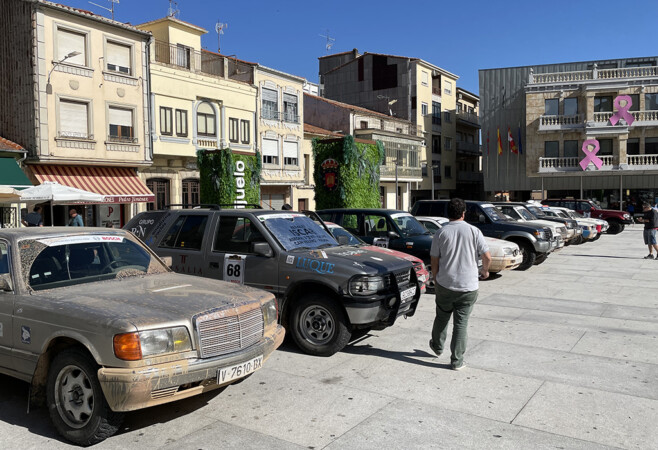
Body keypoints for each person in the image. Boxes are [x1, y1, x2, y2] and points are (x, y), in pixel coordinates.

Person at [429, 198, 491, 370]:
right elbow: (487, 257)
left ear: (448, 213)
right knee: (461, 324)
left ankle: (437, 346)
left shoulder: (441, 233)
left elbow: (434, 260)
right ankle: (457, 361)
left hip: (445, 284)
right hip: (468, 286)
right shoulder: (474, 231)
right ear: (464, 213)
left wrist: (436, 278)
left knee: (442, 316)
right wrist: (485, 271)